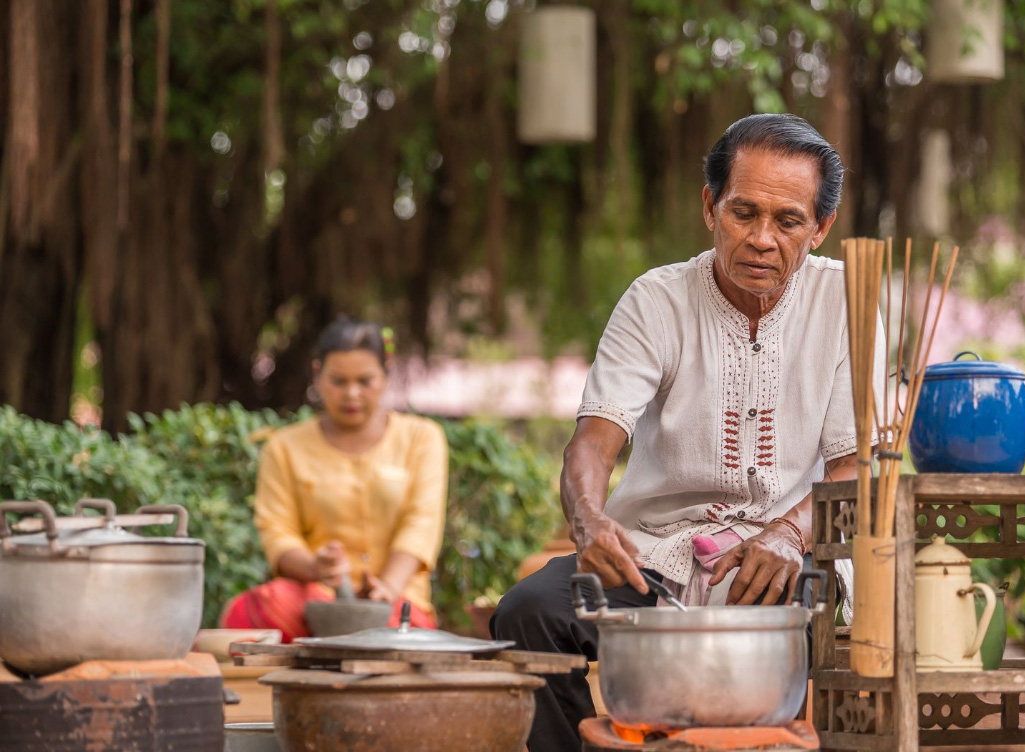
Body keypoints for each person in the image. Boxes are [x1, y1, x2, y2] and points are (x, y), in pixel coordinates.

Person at [491, 113, 884, 752]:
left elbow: (856, 467)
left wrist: (788, 535)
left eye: (788, 221)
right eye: (742, 213)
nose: (761, 239)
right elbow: (593, 442)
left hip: (785, 558)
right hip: (651, 557)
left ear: (820, 228)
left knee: (780, 618)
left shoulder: (850, 301)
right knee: (528, 612)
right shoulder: (656, 300)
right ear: (709, 208)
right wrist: (589, 521)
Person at [220, 317, 449, 640]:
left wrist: (386, 589)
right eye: (338, 381)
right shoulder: (284, 447)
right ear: (317, 374)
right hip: (314, 601)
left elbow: (421, 525)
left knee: (397, 630)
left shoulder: (422, 439)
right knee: (251, 610)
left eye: (365, 381)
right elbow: (277, 532)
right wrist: (316, 567)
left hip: (395, 602)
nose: (351, 393)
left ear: (386, 374)